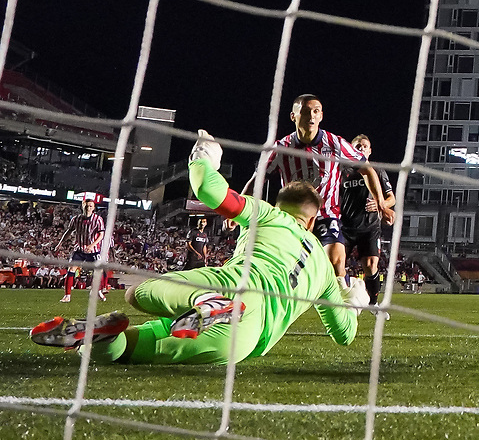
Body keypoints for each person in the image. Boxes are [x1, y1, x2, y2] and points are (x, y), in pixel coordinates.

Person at [30, 130, 368, 364]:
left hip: (229, 287)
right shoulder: (324, 268)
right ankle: (105, 339)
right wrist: (353, 301)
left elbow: (210, 191)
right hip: (247, 336)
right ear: (311, 222)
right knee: (137, 348)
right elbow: (344, 336)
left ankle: (202, 304)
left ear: (281, 205)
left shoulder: (268, 214)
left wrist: (203, 157)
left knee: (138, 295)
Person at [243, 94, 389, 298]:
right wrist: (240, 208)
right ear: (293, 116)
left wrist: (381, 203)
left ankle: (345, 309)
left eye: (316, 111)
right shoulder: (280, 149)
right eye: (305, 111)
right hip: (292, 220)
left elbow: (367, 169)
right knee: (279, 267)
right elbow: (258, 180)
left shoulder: (335, 144)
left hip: (326, 216)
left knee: (337, 260)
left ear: (321, 116)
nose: (311, 116)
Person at [339, 134, 395, 317]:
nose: (361, 149)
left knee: (371, 265)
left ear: (369, 151)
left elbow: (391, 198)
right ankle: (349, 293)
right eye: (357, 146)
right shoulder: (342, 170)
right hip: (345, 226)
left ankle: (373, 303)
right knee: (335, 265)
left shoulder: (377, 171)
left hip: (370, 226)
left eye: (364, 146)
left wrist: (382, 205)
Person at [55, 199, 110, 303]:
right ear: (82, 207)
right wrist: (60, 243)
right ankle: (67, 295)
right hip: (79, 249)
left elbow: (101, 234)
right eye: (86, 206)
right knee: (71, 269)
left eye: (90, 206)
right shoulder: (76, 219)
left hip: (93, 250)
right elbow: (69, 231)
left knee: (99, 270)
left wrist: (92, 245)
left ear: (93, 208)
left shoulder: (98, 219)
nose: (88, 208)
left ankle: (98, 290)